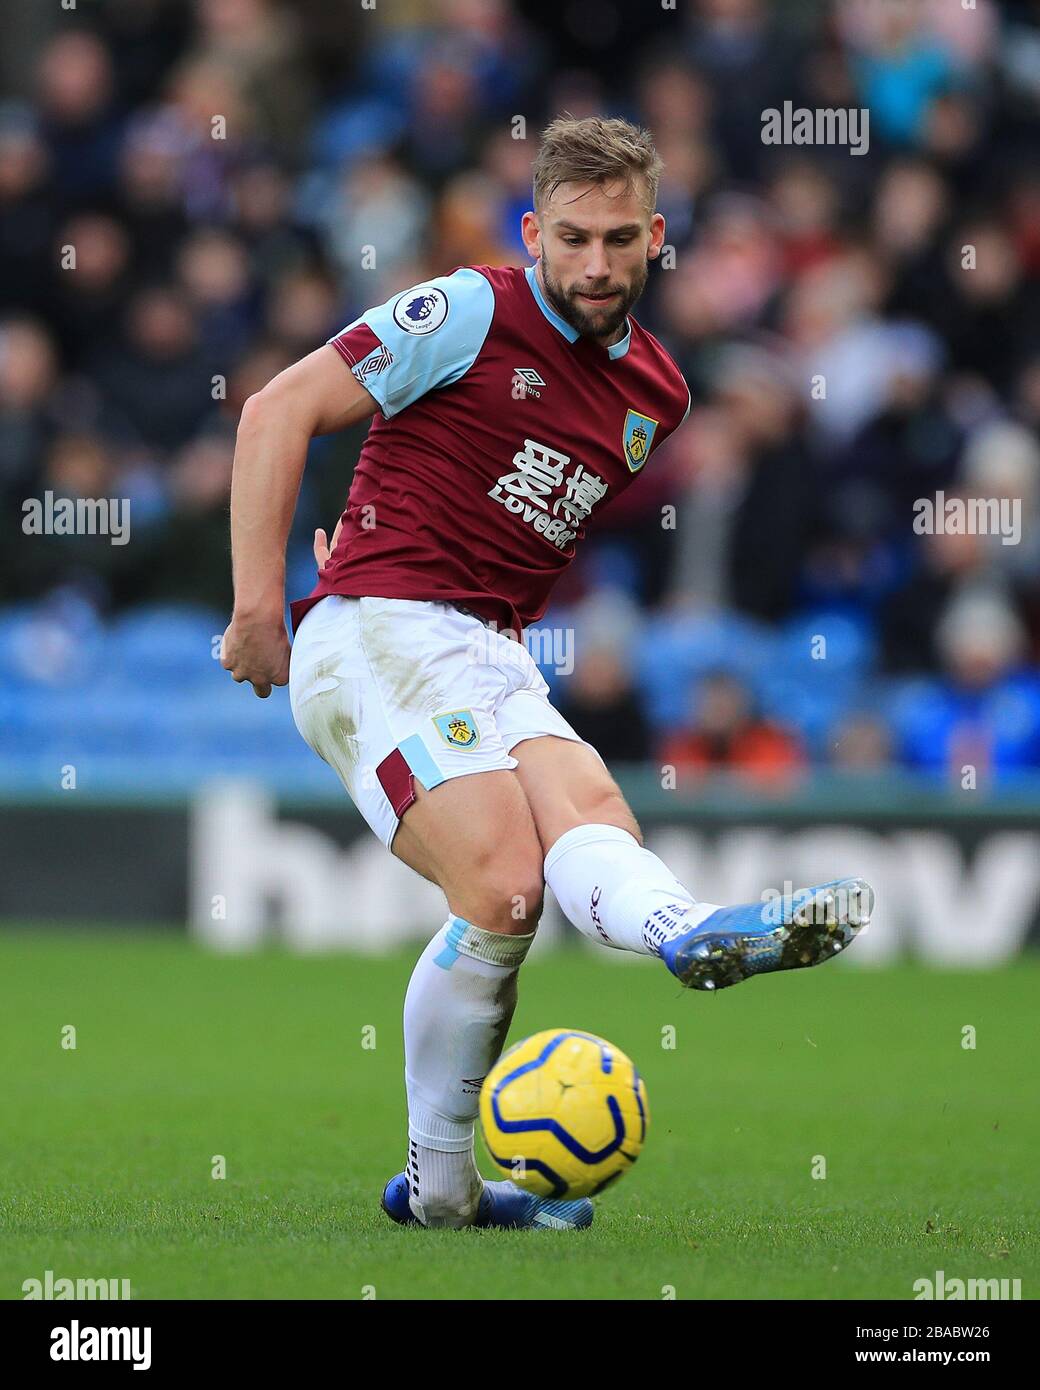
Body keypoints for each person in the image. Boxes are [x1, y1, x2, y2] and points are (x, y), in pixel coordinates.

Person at [219, 116, 873, 1233]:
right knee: (501, 883)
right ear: (533, 230)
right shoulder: (471, 307)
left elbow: (499, 514)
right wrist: (256, 610)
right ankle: (441, 1185)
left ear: (656, 237)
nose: (596, 263)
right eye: (571, 237)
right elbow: (279, 409)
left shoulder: (655, 396)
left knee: (584, 819)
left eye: (621, 239)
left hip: (489, 645)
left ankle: (682, 932)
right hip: (377, 625)